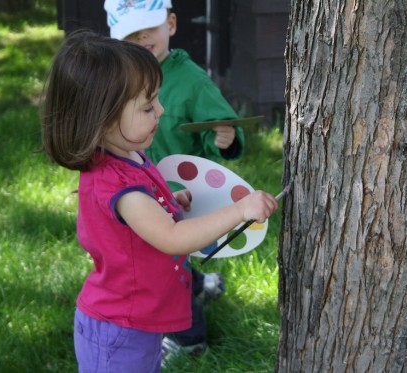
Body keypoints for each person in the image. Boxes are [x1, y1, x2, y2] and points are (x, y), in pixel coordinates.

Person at [40, 30, 278, 372]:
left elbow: (143, 216)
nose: (162, 111)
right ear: (103, 117)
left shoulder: (129, 154)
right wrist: (240, 210)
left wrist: (169, 202)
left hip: (137, 321)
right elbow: (172, 238)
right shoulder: (119, 185)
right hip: (119, 332)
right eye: (148, 105)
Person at [103, 0, 245, 357]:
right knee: (166, 254)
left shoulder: (192, 79)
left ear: (171, 23)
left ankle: (189, 338)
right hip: (141, 183)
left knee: (167, 258)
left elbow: (223, 127)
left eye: (149, 27)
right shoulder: (123, 77)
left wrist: (225, 139)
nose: (142, 37)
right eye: (130, 34)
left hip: (183, 189)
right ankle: (201, 285)